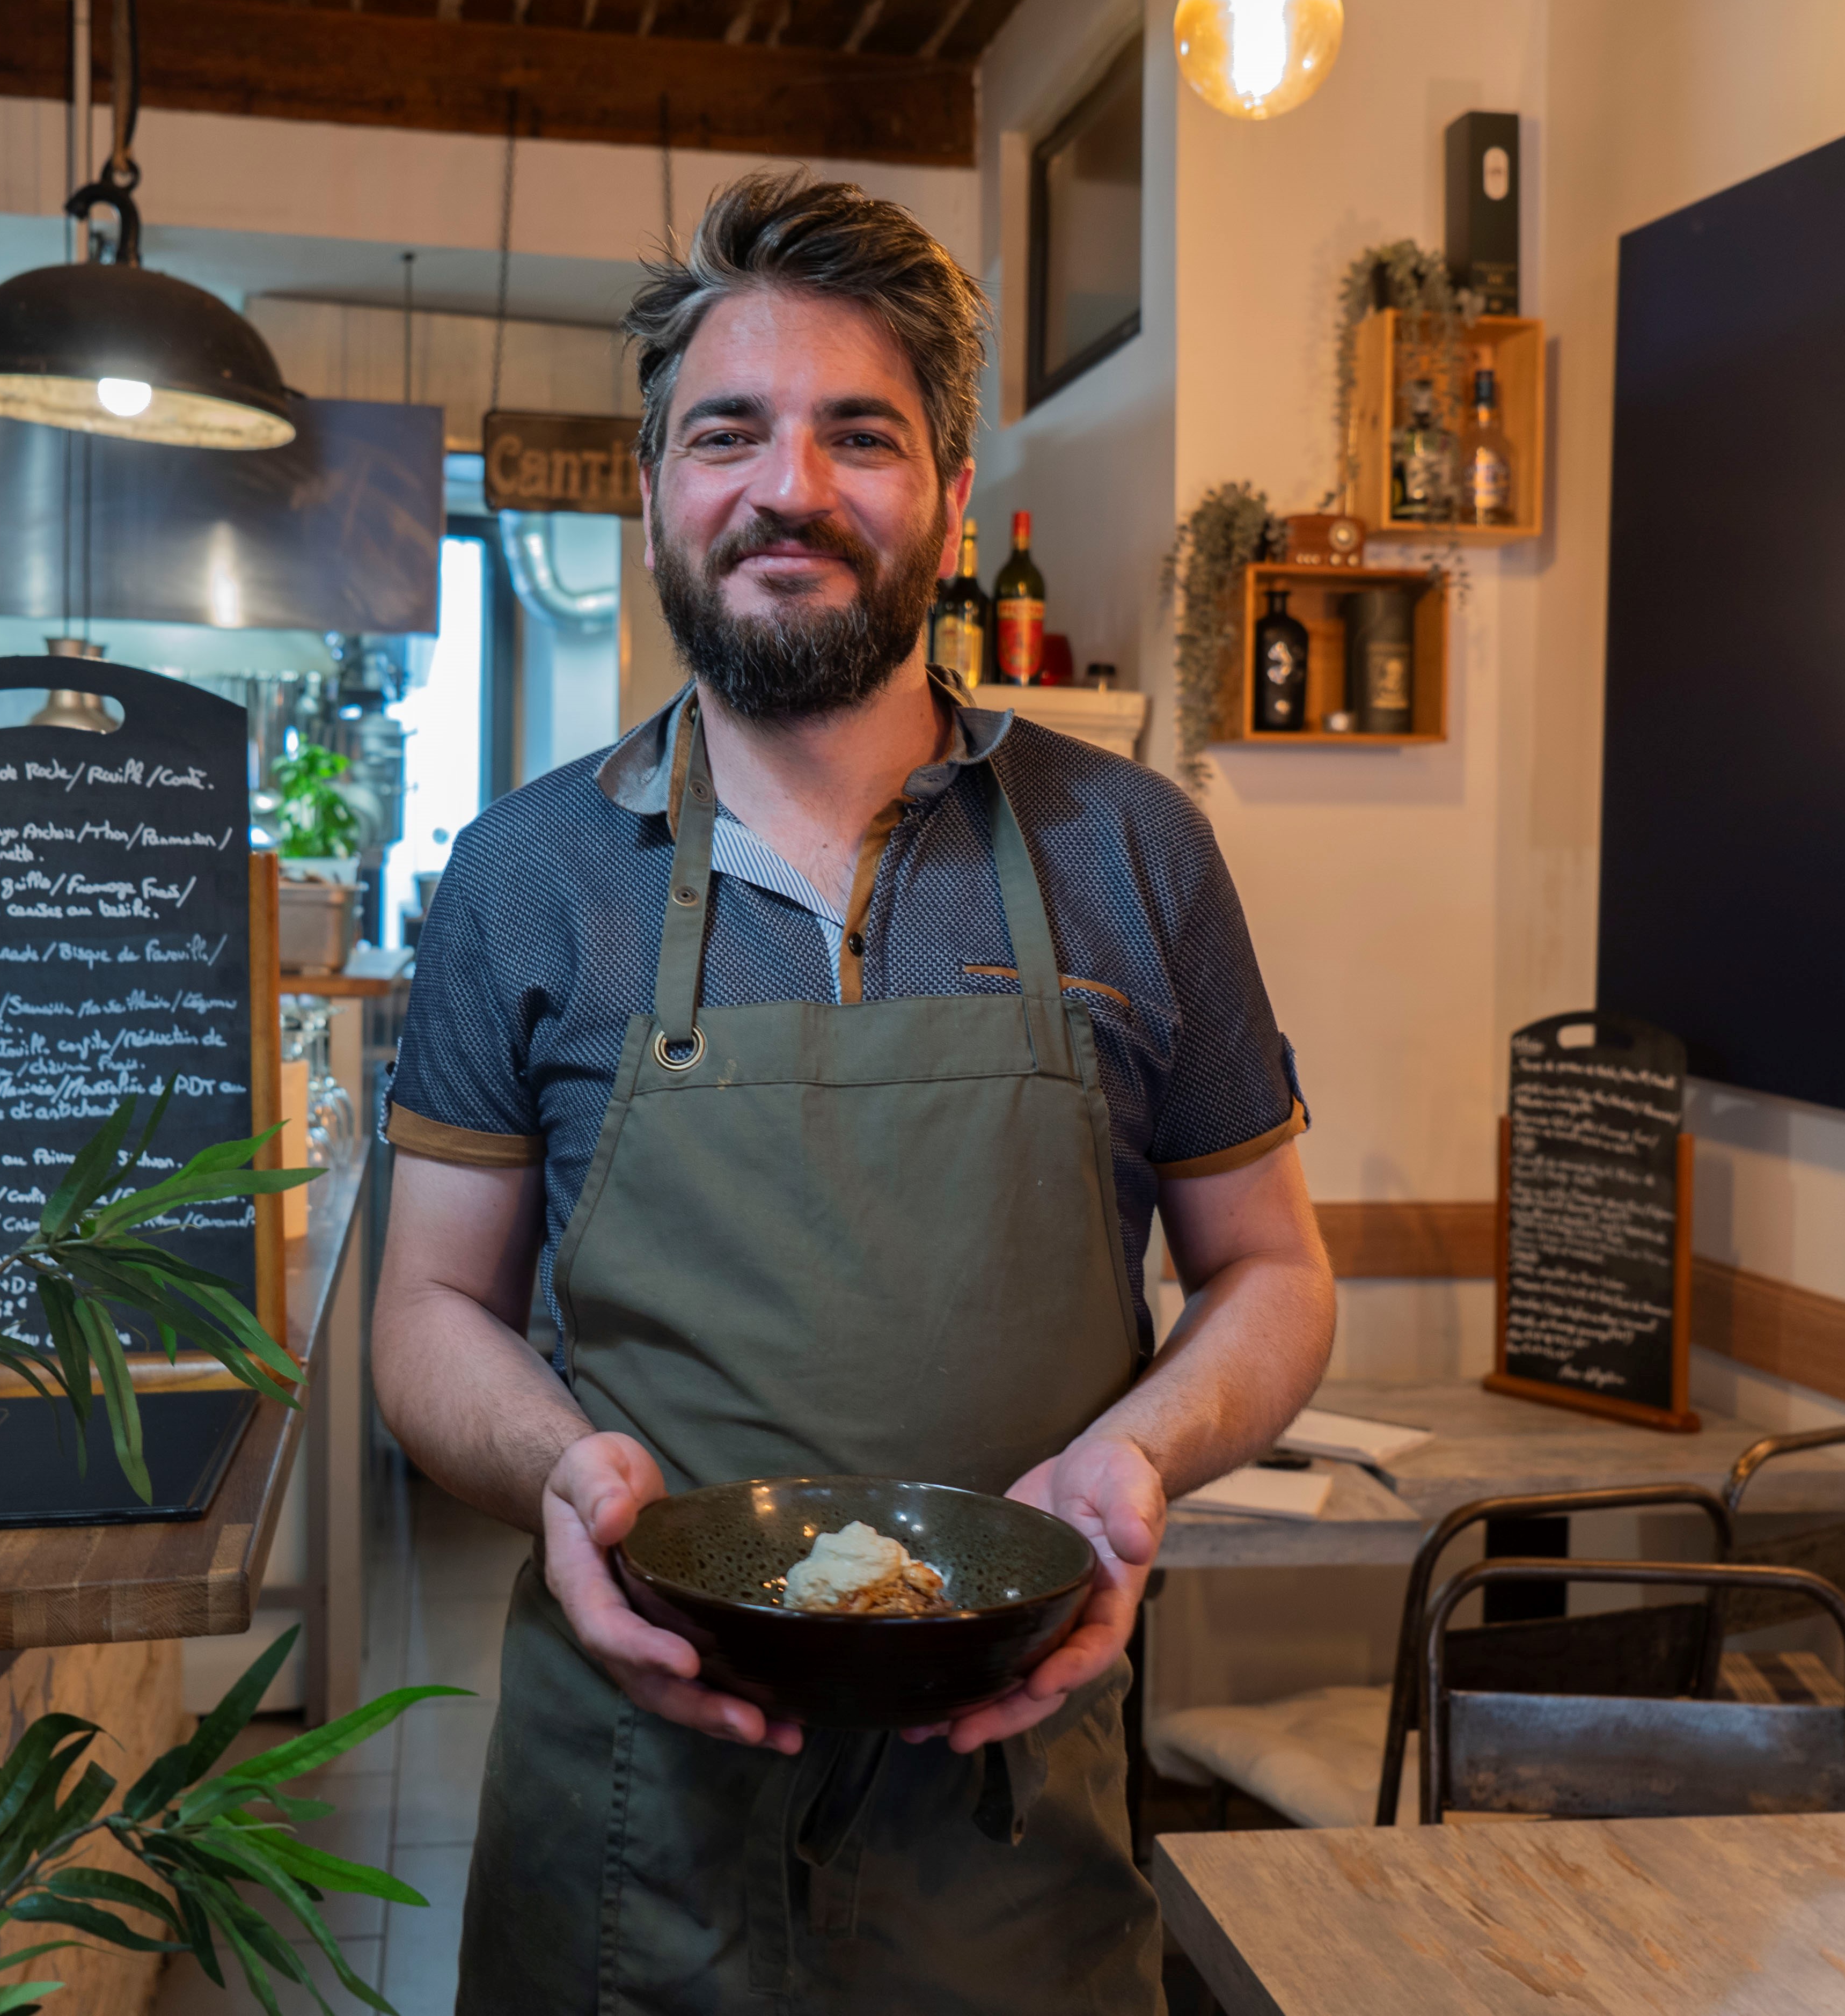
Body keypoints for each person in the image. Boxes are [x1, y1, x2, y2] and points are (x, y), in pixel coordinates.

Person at [372, 169, 1335, 2014]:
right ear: (658, 482)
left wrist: (1138, 1458)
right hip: (631, 1837)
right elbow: (425, 1311)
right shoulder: (522, 878)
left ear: (952, 499)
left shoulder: (1137, 854)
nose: (788, 489)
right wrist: (563, 1473)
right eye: (727, 431)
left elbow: (1276, 1273)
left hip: (1014, 1820)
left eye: (860, 437)